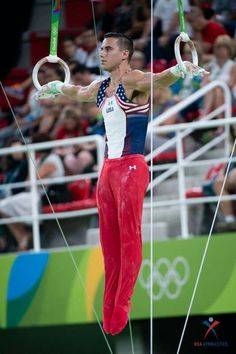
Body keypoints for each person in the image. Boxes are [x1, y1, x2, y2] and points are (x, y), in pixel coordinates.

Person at [36, 32, 208, 336]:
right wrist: (54, 87)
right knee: (109, 247)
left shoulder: (134, 79)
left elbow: (161, 80)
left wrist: (180, 70)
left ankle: (122, 305)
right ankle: (107, 310)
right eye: (101, 49)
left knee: (129, 239)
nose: (102, 53)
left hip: (131, 166)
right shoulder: (100, 88)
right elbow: (76, 92)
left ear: (124, 54)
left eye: (108, 49)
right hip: (107, 173)